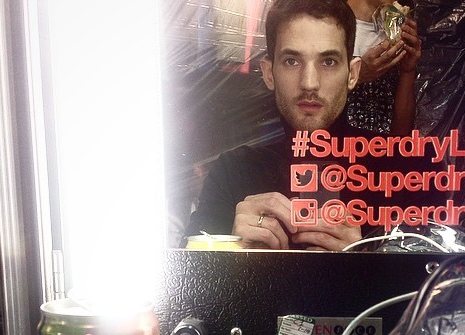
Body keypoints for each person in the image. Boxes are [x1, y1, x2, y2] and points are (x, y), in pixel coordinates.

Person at [182, 0, 446, 251]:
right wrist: (230, 250)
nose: (309, 83)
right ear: (269, 73)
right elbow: (183, 277)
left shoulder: (412, 173)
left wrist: (365, 257)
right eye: (292, 61)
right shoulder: (232, 173)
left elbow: (444, 278)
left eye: (328, 62)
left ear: (352, 73)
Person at [346, 0, 421, 135]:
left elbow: (401, 134)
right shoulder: (327, 22)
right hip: (332, 145)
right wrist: (357, 77)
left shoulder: (399, 28)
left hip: (383, 146)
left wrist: (407, 71)